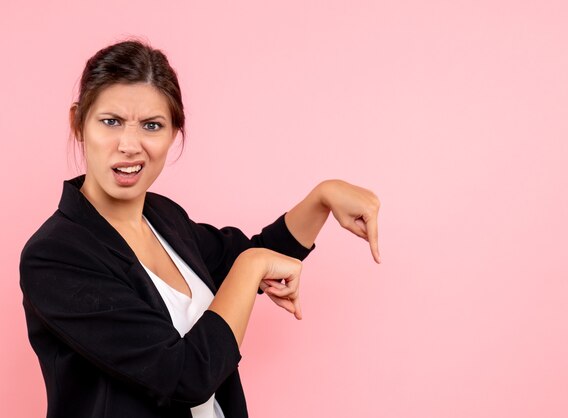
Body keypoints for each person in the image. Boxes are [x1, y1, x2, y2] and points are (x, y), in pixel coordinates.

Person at [19, 40, 380, 418]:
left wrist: (321, 198)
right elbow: (184, 377)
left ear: (174, 133)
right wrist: (252, 265)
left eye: (151, 125)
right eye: (110, 122)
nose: (129, 145)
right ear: (78, 123)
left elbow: (255, 258)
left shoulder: (163, 217)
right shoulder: (54, 256)